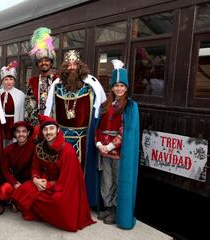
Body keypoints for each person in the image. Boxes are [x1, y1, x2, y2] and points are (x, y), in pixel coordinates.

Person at [12, 115, 95, 232]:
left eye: (51, 129)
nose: (48, 132)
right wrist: (35, 179)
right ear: (42, 132)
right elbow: (35, 167)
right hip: (45, 181)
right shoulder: (39, 147)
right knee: (23, 190)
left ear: (58, 130)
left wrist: (49, 185)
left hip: (65, 186)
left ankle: (52, 215)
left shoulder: (67, 150)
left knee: (58, 201)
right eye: (45, 129)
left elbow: (68, 180)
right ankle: (47, 215)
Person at [45, 50, 106, 207]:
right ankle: (62, 197)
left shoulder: (90, 84)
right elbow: (50, 109)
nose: (72, 67)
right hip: (62, 137)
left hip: (83, 138)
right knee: (61, 169)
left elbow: (99, 109)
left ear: (80, 66)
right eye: (68, 64)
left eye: (74, 64)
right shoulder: (57, 86)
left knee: (81, 169)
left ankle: (80, 199)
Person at [95, 60, 140, 229]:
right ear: (112, 87)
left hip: (119, 152)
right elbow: (97, 127)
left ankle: (115, 209)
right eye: (116, 85)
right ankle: (107, 207)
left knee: (118, 180)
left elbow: (126, 131)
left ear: (126, 87)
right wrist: (99, 143)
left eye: (122, 85)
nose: (119, 88)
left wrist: (111, 146)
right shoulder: (105, 105)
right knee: (106, 180)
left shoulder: (130, 106)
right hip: (103, 150)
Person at [25, 27, 59, 127]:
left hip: (54, 122)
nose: (43, 63)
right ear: (37, 64)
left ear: (51, 63)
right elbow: (28, 106)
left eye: (47, 60)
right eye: (40, 61)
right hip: (36, 124)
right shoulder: (32, 81)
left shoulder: (58, 80)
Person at [0, 121, 35, 209]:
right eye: (18, 131)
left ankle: (16, 200)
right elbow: (5, 170)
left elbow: (36, 168)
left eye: (24, 131)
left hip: (30, 182)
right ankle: (15, 199)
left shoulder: (34, 147)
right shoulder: (8, 150)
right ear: (14, 133)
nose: (21, 134)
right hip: (15, 182)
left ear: (28, 133)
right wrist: (14, 183)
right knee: (3, 192)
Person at [0, 61, 25, 146]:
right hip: (1, 123)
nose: (8, 81)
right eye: (6, 79)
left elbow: (23, 111)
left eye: (11, 79)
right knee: (1, 142)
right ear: (2, 81)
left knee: (12, 143)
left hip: (13, 121)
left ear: (14, 81)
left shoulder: (20, 94)